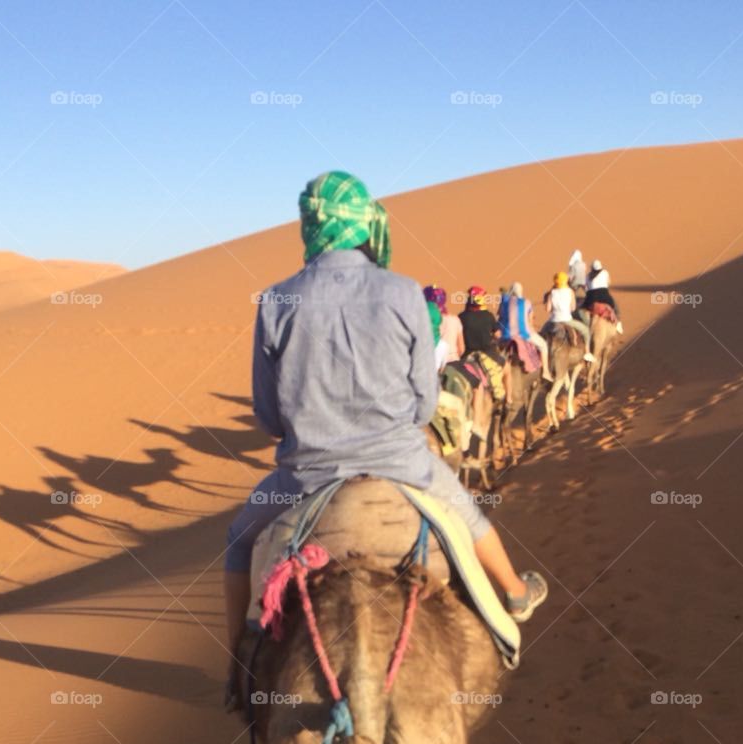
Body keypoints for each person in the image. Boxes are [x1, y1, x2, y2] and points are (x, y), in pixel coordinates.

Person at [224, 171, 547, 690]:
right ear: (365, 225)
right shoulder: (403, 293)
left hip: (305, 478)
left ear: (312, 225)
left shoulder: (277, 301)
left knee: (239, 542)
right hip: (403, 465)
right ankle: (513, 592)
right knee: (463, 511)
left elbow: (266, 417)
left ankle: (238, 666)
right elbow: (422, 404)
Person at [459, 285, 512, 401]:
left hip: (466, 355)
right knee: (507, 368)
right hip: (488, 353)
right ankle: (509, 399)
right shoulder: (488, 316)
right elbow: (498, 334)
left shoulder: (461, 317)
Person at [498, 282, 551, 380]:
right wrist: (533, 331)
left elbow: (500, 317)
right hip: (524, 334)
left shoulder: (504, 301)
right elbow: (530, 322)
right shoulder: (526, 302)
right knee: (543, 345)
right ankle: (546, 371)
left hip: (506, 334)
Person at [543, 270, 594, 361]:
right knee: (586, 331)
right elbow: (573, 308)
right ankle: (587, 352)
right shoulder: (570, 292)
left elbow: (547, 309)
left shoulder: (551, 293)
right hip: (568, 320)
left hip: (553, 320)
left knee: (541, 334)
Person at [423, 284, 464, 363]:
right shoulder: (455, 320)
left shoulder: (423, 320)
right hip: (453, 363)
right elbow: (461, 349)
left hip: (431, 364)